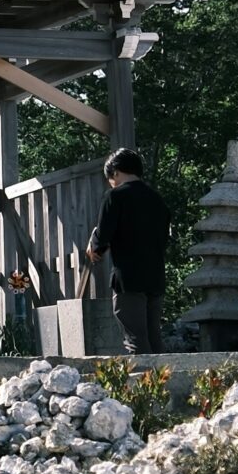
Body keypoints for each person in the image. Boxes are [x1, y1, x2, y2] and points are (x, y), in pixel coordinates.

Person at [85, 146, 173, 354]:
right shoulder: (158, 200)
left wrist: (93, 244)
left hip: (129, 278)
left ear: (115, 172)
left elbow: (102, 239)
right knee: (154, 338)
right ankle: (163, 383)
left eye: (110, 178)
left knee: (136, 339)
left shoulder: (115, 196)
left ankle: (143, 385)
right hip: (155, 277)